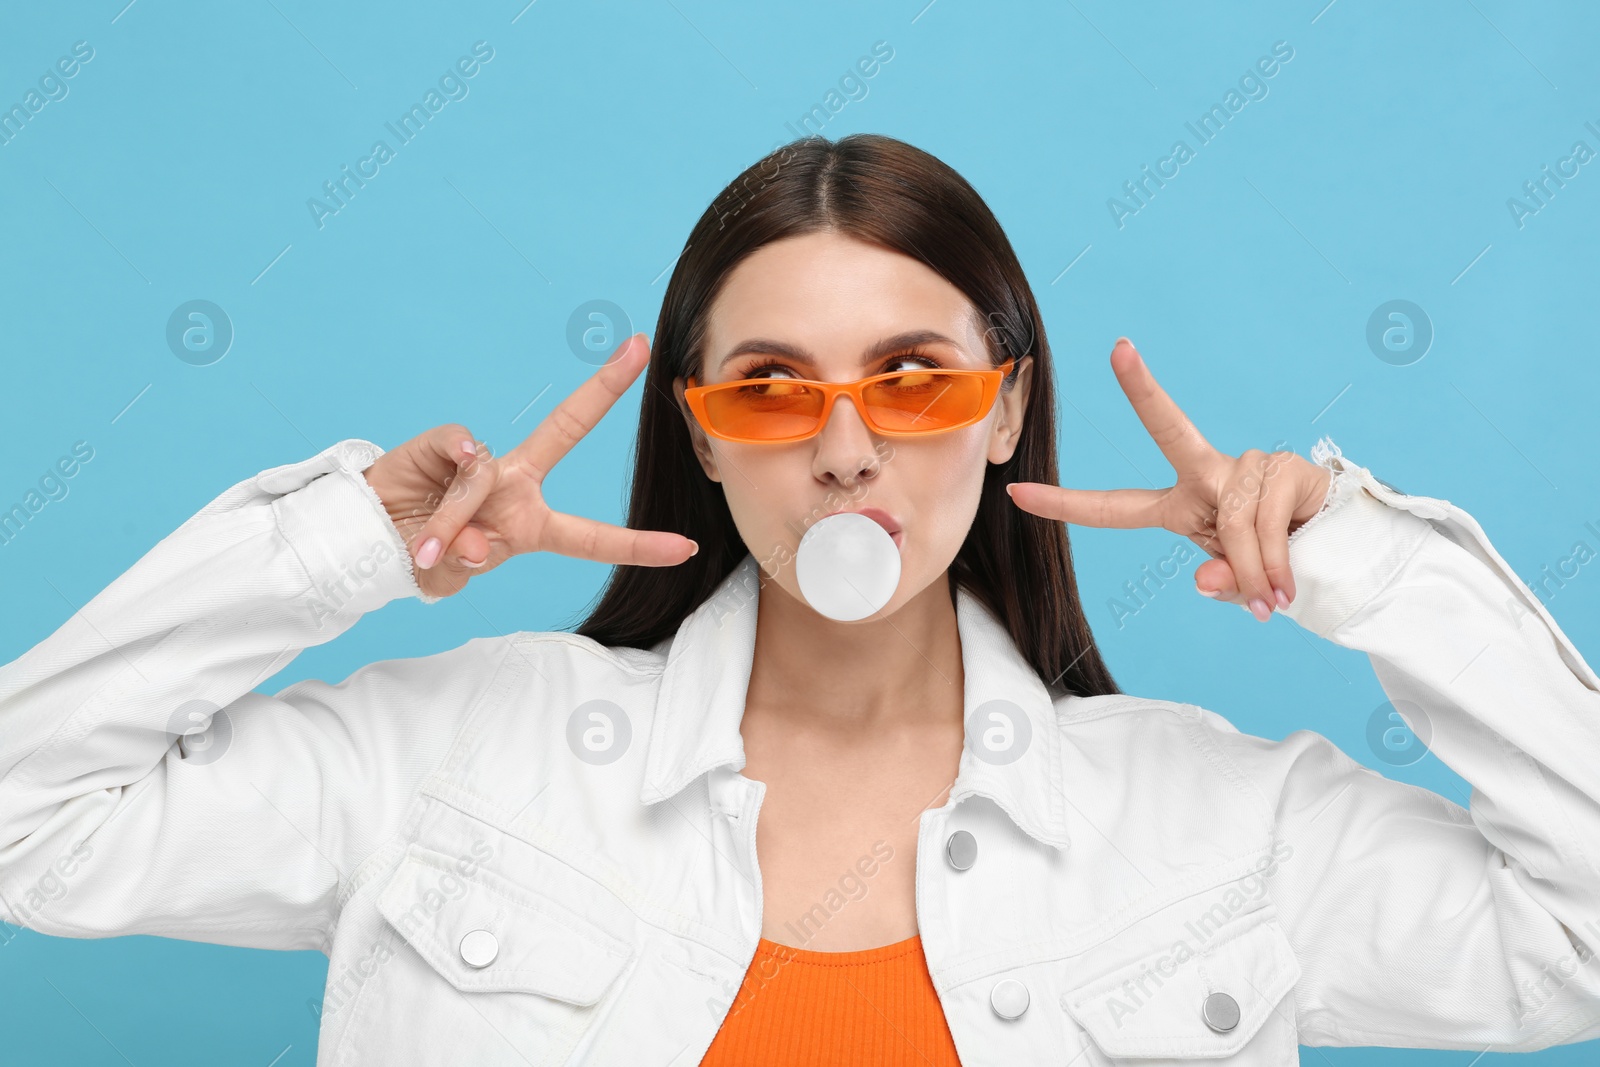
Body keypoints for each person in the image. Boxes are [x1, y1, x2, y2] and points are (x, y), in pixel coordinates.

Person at [1, 133, 1597, 1066]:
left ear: (1006, 409)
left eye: (913, 380)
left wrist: (1362, 559)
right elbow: (29, 818)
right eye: (772, 388)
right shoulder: (453, 762)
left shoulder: (1213, 829)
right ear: (700, 431)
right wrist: (348, 541)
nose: (843, 451)